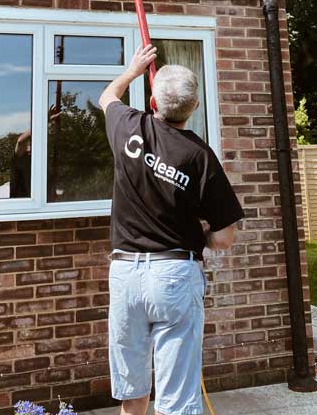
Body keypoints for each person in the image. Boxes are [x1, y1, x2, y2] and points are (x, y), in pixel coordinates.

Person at [99, 44, 244, 415]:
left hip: (126, 275)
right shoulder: (199, 156)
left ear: (152, 102)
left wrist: (134, 68)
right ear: (194, 108)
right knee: (176, 399)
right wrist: (203, 239)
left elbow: (107, 97)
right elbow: (225, 237)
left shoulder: (128, 127)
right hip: (175, 276)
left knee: (132, 391)